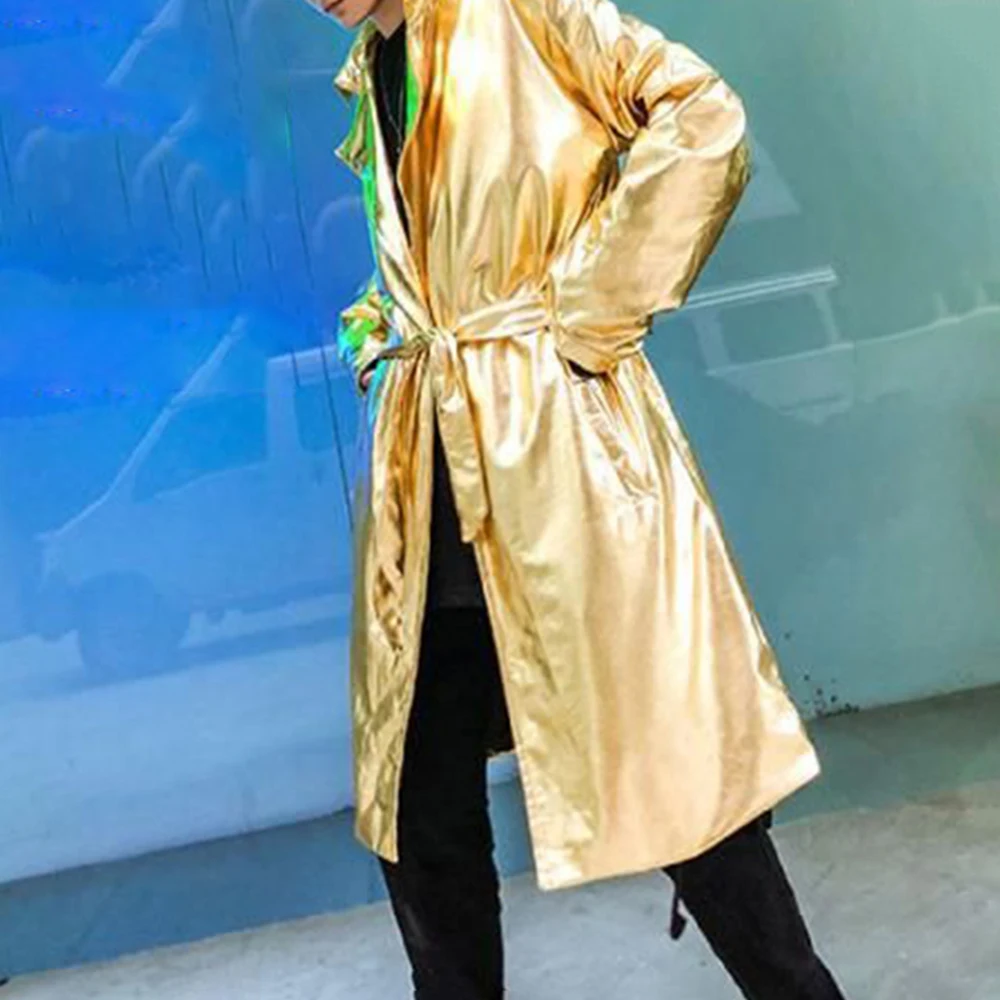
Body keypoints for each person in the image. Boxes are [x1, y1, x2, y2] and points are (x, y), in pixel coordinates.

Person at [318, 0, 849, 996]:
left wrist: (591, 313)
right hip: (431, 485)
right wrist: (377, 327)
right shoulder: (373, 68)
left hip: (560, 462)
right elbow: (435, 262)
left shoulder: (520, 10)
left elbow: (701, 112)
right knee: (415, 800)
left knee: (676, 771)